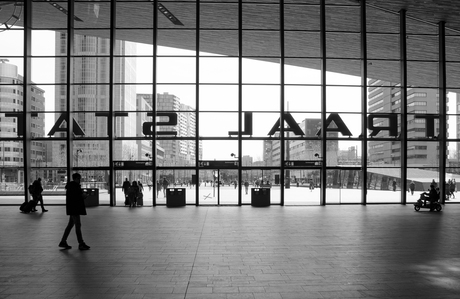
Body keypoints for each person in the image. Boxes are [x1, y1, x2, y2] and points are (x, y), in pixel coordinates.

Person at [59, 173, 90, 250]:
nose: (80, 180)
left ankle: (63, 241)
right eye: (79, 179)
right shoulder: (75, 187)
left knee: (70, 225)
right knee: (78, 226)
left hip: (72, 208)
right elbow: (77, 197)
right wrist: (84, 196)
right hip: (75, 209)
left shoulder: (70, 186)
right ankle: (81, 243)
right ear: (75, 178)